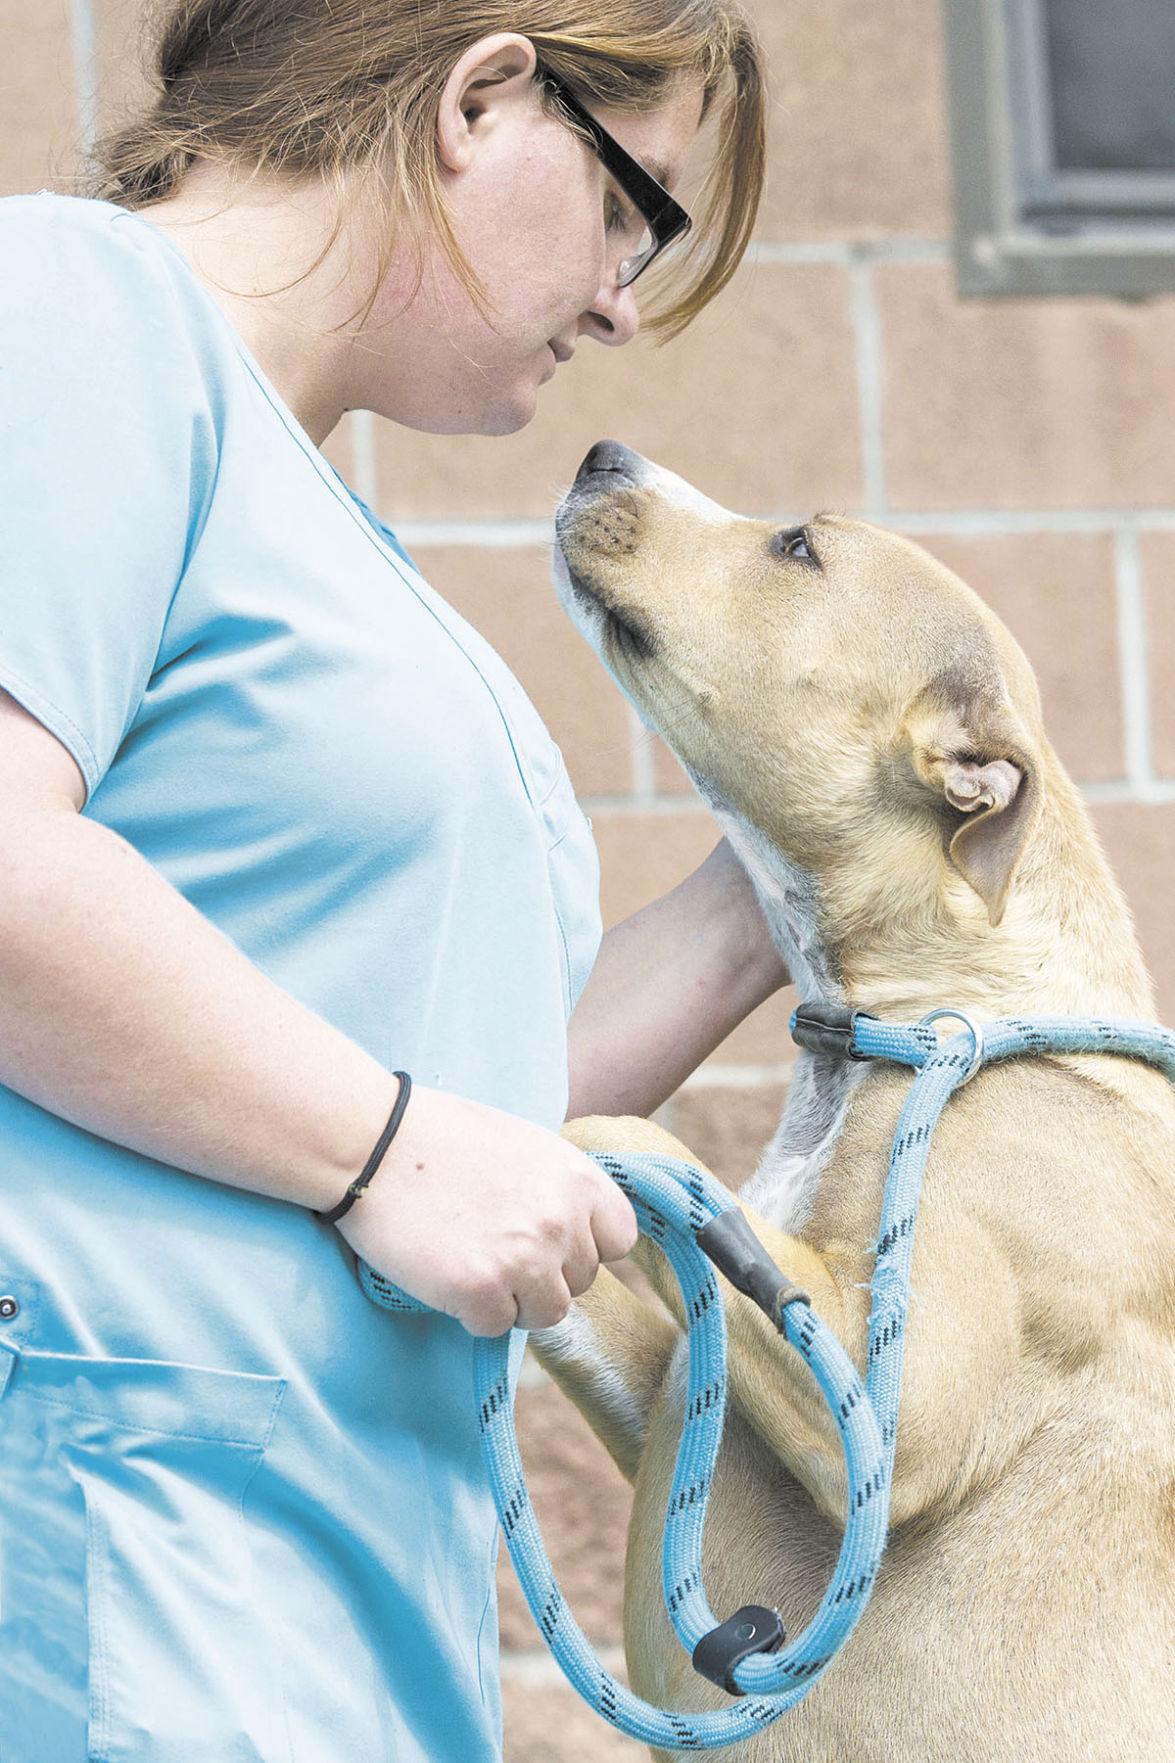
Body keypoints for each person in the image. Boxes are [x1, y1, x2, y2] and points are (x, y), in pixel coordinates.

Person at [0, 3, 783, 1758]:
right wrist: (382, 1148)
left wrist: (784, 897)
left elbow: (470, 1110)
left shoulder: (328, 521)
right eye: (633, 210)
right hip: (121, 1548)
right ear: (483, 98)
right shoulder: (72, 308)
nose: (621, 302)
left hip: (337, 1576)